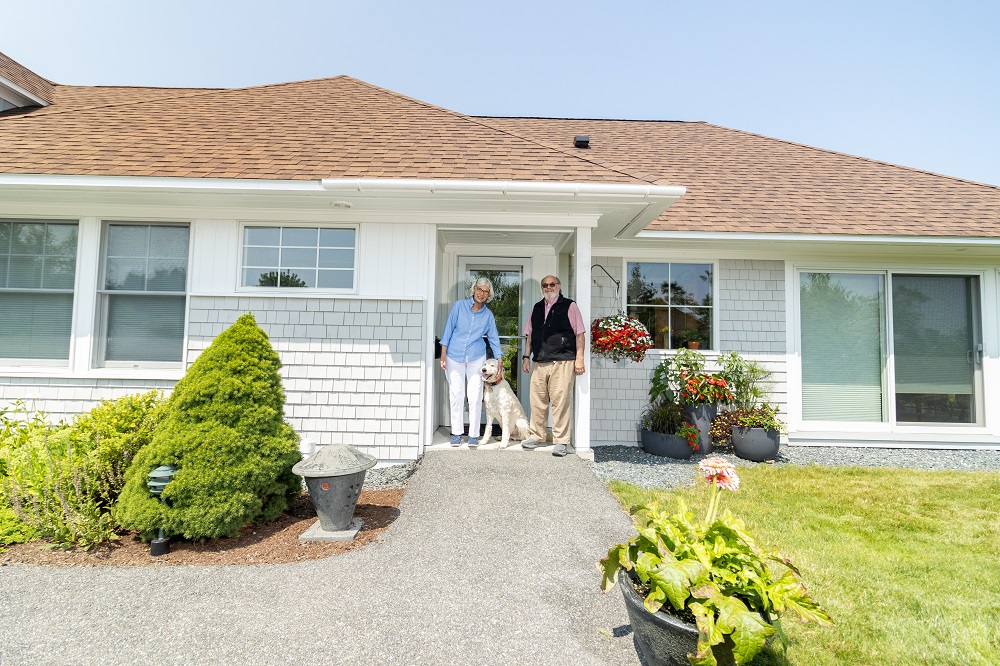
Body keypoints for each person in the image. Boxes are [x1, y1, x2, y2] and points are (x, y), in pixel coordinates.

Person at [520, 275, 586, 457]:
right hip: (539, 361)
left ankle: (561, 441)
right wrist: (526, 356)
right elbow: (529, 335)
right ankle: (537, 436)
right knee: (537, 402)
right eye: (545, 285)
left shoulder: (569, 306)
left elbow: (579, 334)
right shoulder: (537, 307)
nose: (548, 287)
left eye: (552, 284)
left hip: (562, 361)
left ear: (559, 286)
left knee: (560, 402)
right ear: (542, 288)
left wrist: (579, 359)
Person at [439, 277, 502, 449]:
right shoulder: (459, 306)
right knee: (456, 395)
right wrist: (443, 353)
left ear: (489, 295)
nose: (481, 294)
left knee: (474, 396)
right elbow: (448, 330)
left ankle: (474, 435)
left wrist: (500, 358)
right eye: (479, 290)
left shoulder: (488, 315)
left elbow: (494, 338)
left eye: (485, 291)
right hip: (454, 355)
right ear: (474, 289)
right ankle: (457, 433)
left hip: (476, 358)